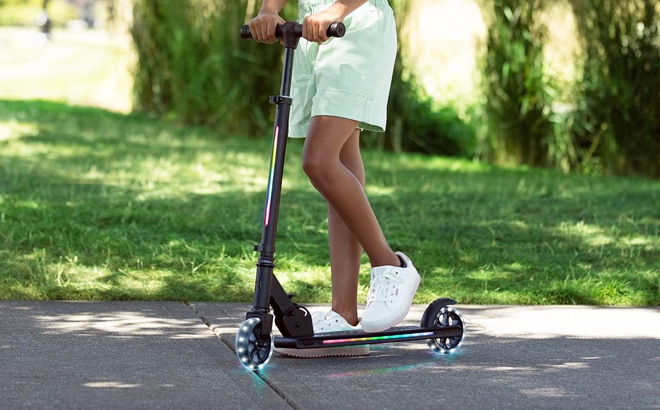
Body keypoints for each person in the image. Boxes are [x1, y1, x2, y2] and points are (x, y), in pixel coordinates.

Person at [248, 0, 420, 357]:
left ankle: (390, 265)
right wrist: (268, 10)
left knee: (318, 160)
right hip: (315, 32)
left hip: (354, 27)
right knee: (341, 157)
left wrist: (339, 9)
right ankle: (345, 315)